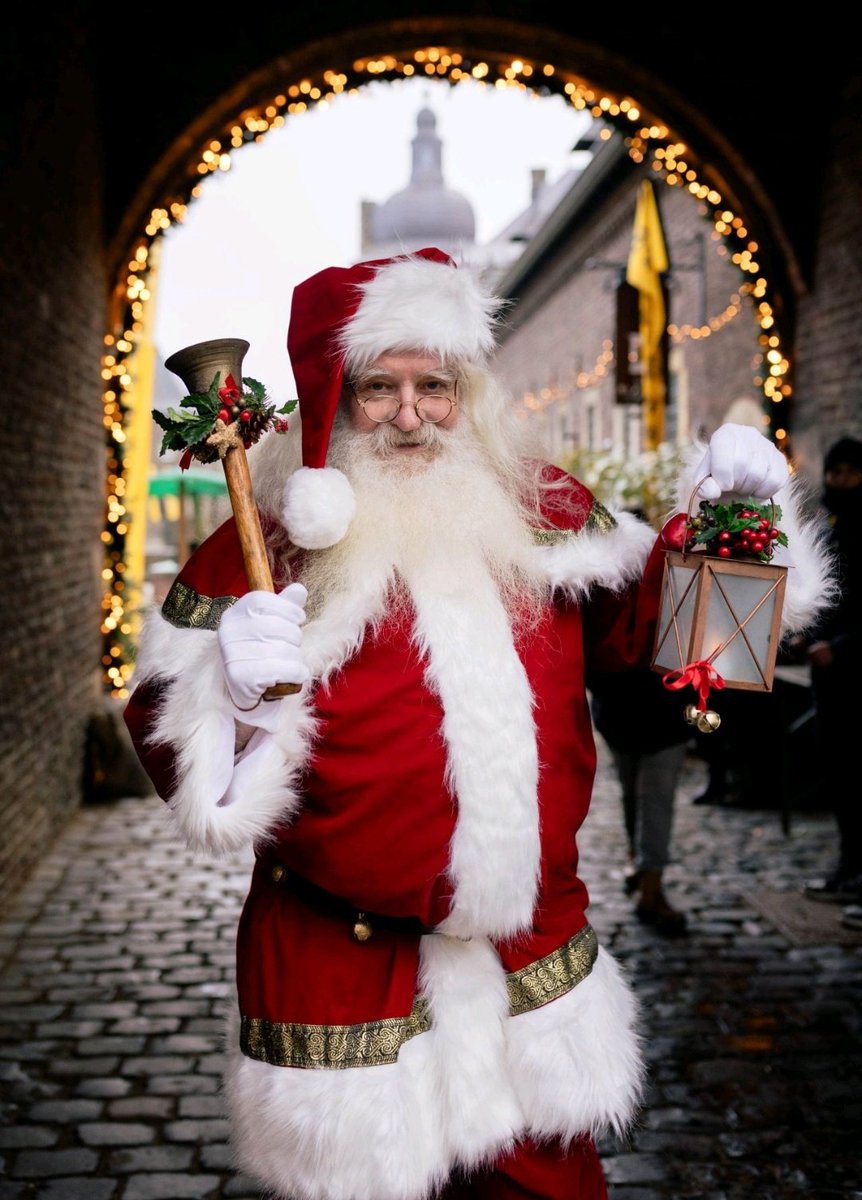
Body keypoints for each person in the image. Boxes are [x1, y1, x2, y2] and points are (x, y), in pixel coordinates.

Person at [124, 248, 831, 1200]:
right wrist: (235, 702)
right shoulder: (262, 549)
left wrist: (736, 522)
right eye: (380, 387)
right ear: (335, 393)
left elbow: (697, 646)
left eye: (435, 385)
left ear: (469, 389)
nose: (411, 414)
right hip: (343, 967)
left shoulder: (544, 511)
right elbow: (171, 738)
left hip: (527, 962)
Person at [796, 436, 862, 910]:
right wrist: (805, 632)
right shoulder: (828, 525)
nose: (840, 480)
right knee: (840, 772)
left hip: (855, 670)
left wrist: (837, 646)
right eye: (835, 472)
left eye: (849, 473)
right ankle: (848, 866)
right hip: (828, 675)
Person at [586, 664, 692, 936]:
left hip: (616, 701)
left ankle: (638, 862)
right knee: (655, 800)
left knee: (633, 792)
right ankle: (650, 891)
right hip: (662, 703)